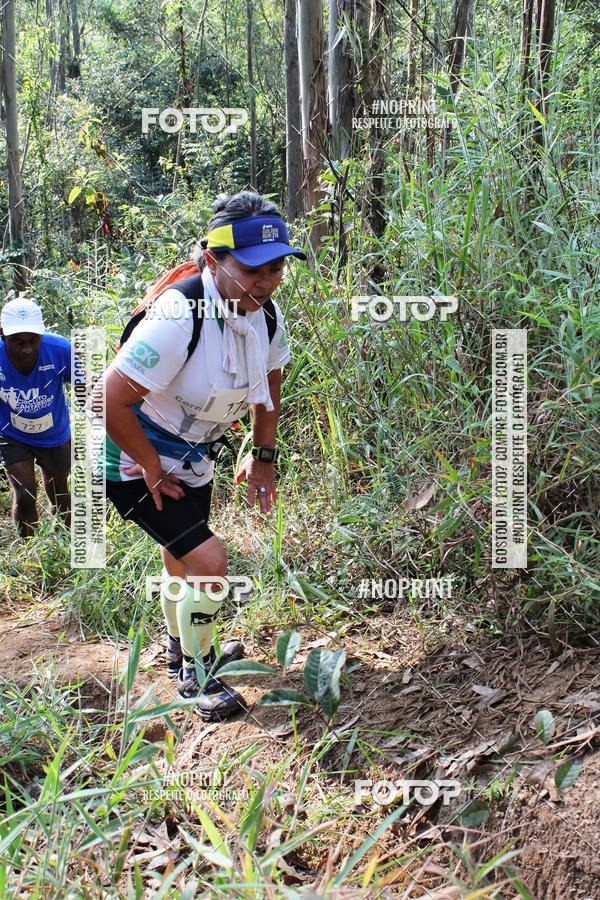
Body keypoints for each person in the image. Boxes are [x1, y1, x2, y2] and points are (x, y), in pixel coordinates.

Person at [97, 191, 306, 721]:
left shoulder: (264, 314)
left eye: (277, 267)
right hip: (133, 455)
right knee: (211, 562)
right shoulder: (179, 314)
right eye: (252, 269)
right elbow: (109, 398)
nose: (266, 281)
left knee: (185, 560)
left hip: (193, 454)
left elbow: (271, 380)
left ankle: (180, 648)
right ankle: (199, 671)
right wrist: (147, 462)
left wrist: (262, 455)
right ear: (214, 261)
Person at [0, 298, 78, 537]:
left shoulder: (60, 350)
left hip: (54, 434)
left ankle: (64, 542)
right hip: (12, 434)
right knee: (25, 494)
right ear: (3, 336)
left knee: (59, 491)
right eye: (18, 341)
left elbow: (90, 391)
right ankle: (30, 549)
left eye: (33, 340)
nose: (27, 349)